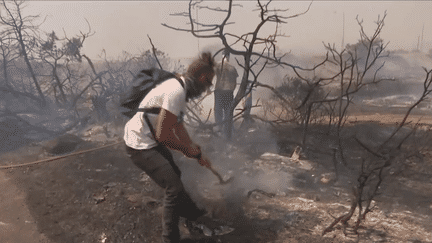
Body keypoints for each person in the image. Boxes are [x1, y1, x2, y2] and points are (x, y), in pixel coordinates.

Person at [123, 52, 216, 243]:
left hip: (148, 140)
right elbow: (163, 135)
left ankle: (192, 213)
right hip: (140, 144)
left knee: (174, 174)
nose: (207, 88)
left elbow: (177, 124)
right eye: (208, 83)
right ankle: (170, 238)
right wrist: (185, 149)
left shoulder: (179, 86)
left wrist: (193, 149)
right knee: (173, 187)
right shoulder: (176, 91)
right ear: (201, 78)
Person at [214, 51, 238, 140]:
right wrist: (231, 89)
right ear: (228, 57)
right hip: (228, 92)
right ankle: (228, 134)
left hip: (219, 91)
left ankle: (219, 131)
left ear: (222, 56)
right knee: (228, 112)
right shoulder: (232, 68)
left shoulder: (217, 66)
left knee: (218, 111)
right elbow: (235, 83)